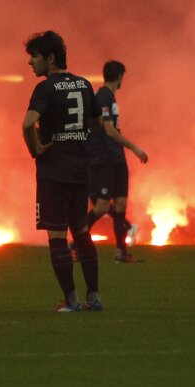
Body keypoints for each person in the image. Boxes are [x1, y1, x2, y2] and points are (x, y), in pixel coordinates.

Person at [22, 31, 102, 312]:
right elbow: (96, 121)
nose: (31, 63)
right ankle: (94, 297)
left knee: (57, 237)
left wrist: (37, 150)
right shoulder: (84, 84)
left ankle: (71, 301)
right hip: (80, 170)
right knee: (81, 233)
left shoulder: (45, 89)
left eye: (35, 57)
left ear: (51, 58)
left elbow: (28, 123)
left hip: (53, 173)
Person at [86, 60, 148, 262]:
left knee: (120, 204)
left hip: (116, 158)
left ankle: (121, 252)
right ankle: (78, 241)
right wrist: (135, 148)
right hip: (105, 159)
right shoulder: (103, 96)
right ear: (120, 76)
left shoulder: (109, 97)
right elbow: (109, 130)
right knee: (102, 206)